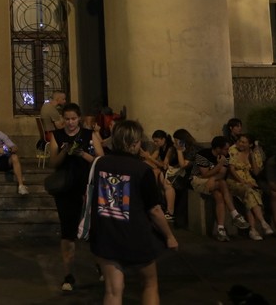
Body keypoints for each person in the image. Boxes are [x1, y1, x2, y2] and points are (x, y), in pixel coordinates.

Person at [89, 120, 178, 304]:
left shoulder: (100, 164)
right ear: (134, 143)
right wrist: (169, 236)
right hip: (136, 235)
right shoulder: (142, 170)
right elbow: (154, 209)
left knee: (113, 291)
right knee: (149, 284)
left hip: (107, 232)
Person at [48, 103, 103, 292]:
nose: (70, 123)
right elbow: (53, 162)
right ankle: (68, 274)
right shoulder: (57, 136)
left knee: (94, 229)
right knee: (68, 232)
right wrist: (64, 150)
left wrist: (82, 153)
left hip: (87, 187)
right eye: (67, 119)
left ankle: (100, 265)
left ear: (79, 118)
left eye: (73, 119)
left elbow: (101, 161)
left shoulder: (90, 135)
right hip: (65, 190)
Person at [190, 136, 250, 241]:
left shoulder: (225, 156)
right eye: (225, 149)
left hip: (215, 182)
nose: (227, 151)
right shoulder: (203, 154)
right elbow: (204, 175)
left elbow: (222, 174)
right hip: (197, 180)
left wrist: (213, 178)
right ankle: (235, 214)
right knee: (222, 183)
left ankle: (220, 229)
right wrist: (220, 165)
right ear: (218, 148)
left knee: (219, 196)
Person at [227, 134, 273, 240]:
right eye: (240, 141)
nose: (240, 144)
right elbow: (232, 169)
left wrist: (252, 155)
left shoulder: (254, 154)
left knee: (251, 195)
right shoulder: (232, 150)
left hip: (250, 181)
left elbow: (256, 172)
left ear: (250, 144)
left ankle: (253, 230)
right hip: (235, 181)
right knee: (250, 191)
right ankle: (263, 222)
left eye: (244, 142)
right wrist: (243, 182)